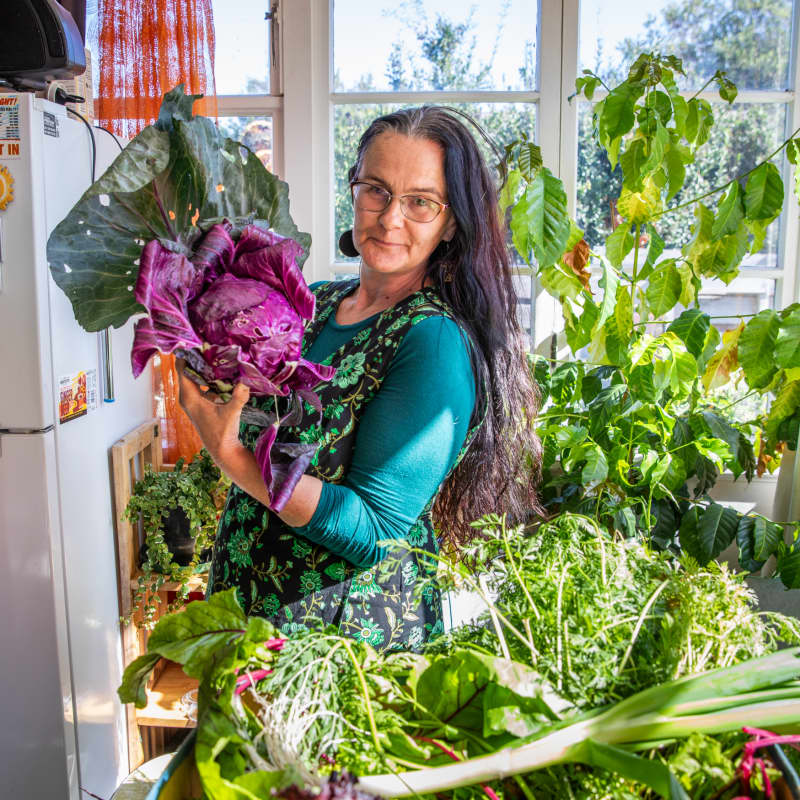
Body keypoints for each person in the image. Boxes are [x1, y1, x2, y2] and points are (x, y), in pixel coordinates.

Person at [178, 106, 541, 651]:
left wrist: (229, 455)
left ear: (451, 223)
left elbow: (377, 531)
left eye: (421, 202)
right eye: (376, 190)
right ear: (354, 192)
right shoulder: (317, 302)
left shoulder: (431, 340)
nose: (390, 218)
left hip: (341, 650)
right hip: (248, 612)